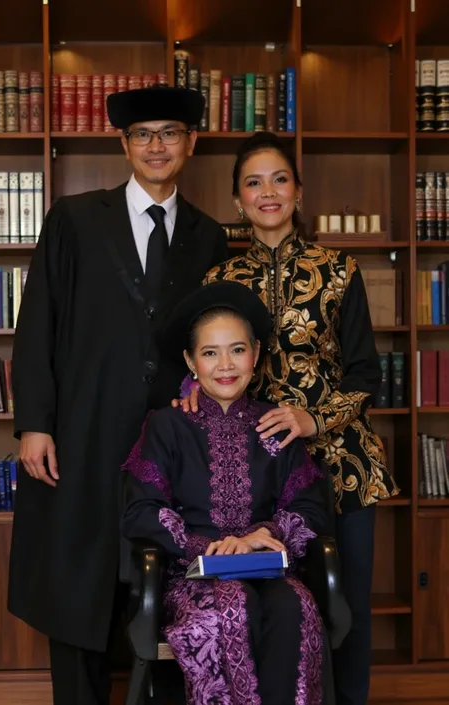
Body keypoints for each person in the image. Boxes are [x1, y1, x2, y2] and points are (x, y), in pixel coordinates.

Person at [7, 85, 229, 705]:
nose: (157, 146)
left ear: (192, 142)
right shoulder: (75, 219)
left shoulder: (209, 237)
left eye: (170, 133)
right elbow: (37, 326)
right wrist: (35, 423)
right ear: (123, 143)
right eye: (143, 134)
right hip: (80, 433)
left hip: (169, 443)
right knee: (77, 584)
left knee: (159, 587)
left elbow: (211, 340)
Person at [178, 132, 400, 705]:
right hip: (261, 476)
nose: (267, 192)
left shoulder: (339, 270)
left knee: (344, 604)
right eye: (253, 182)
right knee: (279, 604)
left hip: (343, 468)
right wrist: (188, 393)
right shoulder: (220, 281)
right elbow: (205, 360)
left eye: (279, 179)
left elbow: (364, 376)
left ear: (298, 192)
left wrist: (312, 419)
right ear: (237, 200)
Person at [122, 280, 330, 705]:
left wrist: (261, 536)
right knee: (228, 612)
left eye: (237, 349)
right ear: (190, 362)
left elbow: (309, 506)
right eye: (210, 353)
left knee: (297, 608)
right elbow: (142, 509)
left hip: (270, 567)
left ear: (255, 354)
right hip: (191, 573)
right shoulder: (168, 426)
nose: (225, 365)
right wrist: (211, 547)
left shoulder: (275, 423)